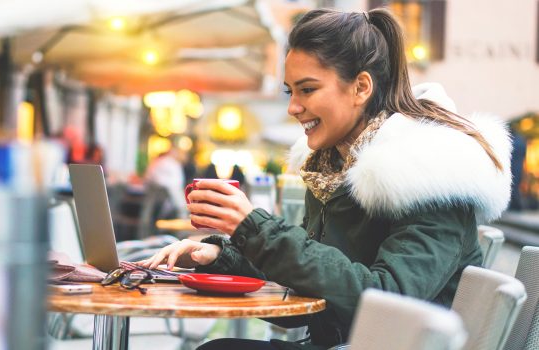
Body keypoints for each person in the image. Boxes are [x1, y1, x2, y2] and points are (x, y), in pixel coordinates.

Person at [138, 8, 511, 349]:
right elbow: (318, 282)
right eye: (290, 91)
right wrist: (222, 256)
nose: (292, 107)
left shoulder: (432, 173)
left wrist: (255, 229)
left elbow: (386, 299)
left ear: (361, 88)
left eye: (308, 89)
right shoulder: (332, 169)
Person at [144, 144, 189, 219]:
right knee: (181, 208)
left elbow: (149, 177)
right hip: (164, 199)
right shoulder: (170, 163)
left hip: (154, 199)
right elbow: (176, 184)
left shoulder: (161, 161)